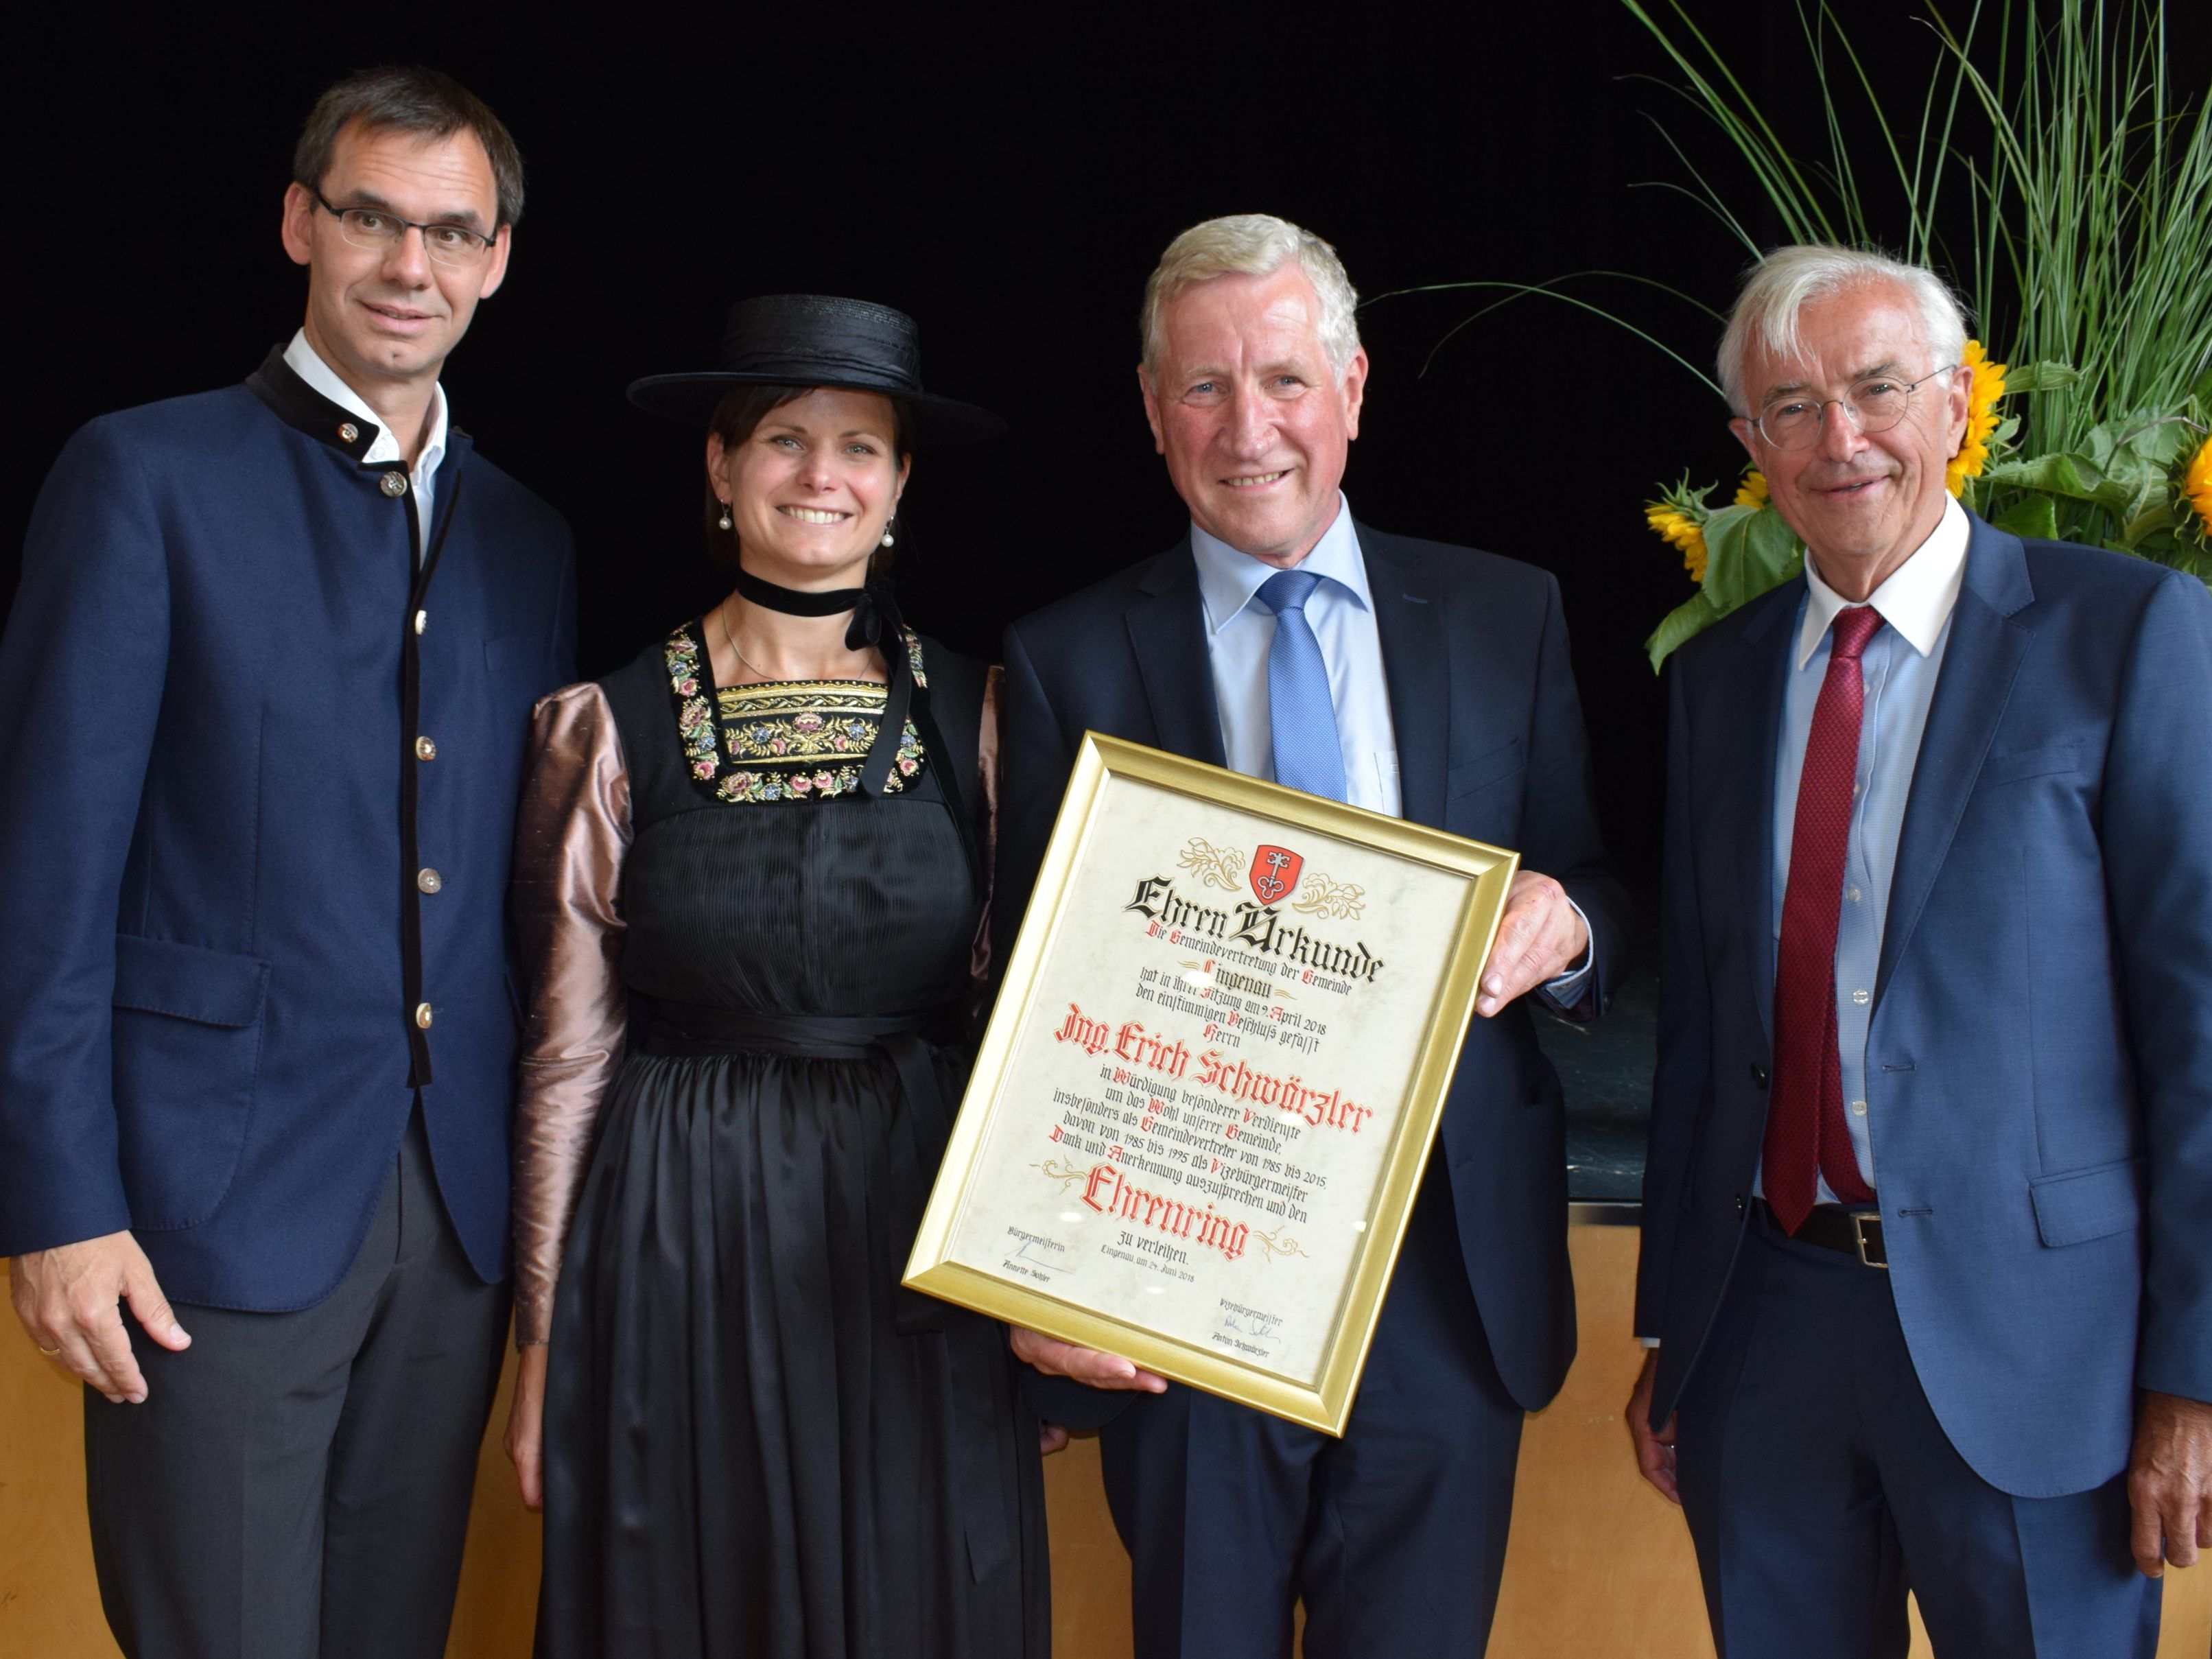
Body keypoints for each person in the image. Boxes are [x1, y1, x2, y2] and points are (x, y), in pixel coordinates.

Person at [993, 214, 1630, 1658]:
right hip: (1180, 1284)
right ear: (1154, 415)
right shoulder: (1064, 658)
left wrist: (1569, 920)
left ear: (1351, 387)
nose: (1248, 427)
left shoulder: (1501, 613)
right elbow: (1023, 1006)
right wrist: (1029, 1288)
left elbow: (1591, 870)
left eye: (1283, 379)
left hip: (1444, 1278)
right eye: (1204, 388)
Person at [0, 65, 573, 1659]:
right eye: (373, 218)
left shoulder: (530, 537)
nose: (410, 267)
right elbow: (45, 881)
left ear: (499, 258)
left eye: (451, 231)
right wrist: (57, 1204)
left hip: (451, 1223)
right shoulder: (143, 476)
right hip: (207, 1199)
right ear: (298, 223)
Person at [1627, 244, 2212, 1657]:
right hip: (1763, 1329)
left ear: (1957, 405)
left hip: (2041, 1354)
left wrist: (2191, 1378)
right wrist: (1674, 1331)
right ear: (1746, 447)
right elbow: (1706, 1031)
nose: (1841, 439)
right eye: (1790, 406)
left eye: (1878, 389)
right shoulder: (1717, 678)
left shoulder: (2126, 632)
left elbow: (2199, 1022)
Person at [502, 293, 1048, 1658]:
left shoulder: (982, 717)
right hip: (674, 1238)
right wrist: (542, 1347)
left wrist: (1039, 1288)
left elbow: (1024, 1027)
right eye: (785, 441)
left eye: (859, 446)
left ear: (900, 483)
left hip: (913, 1246)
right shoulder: (607, 727)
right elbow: (567, 1054)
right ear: (721, 467)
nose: (823, 475)